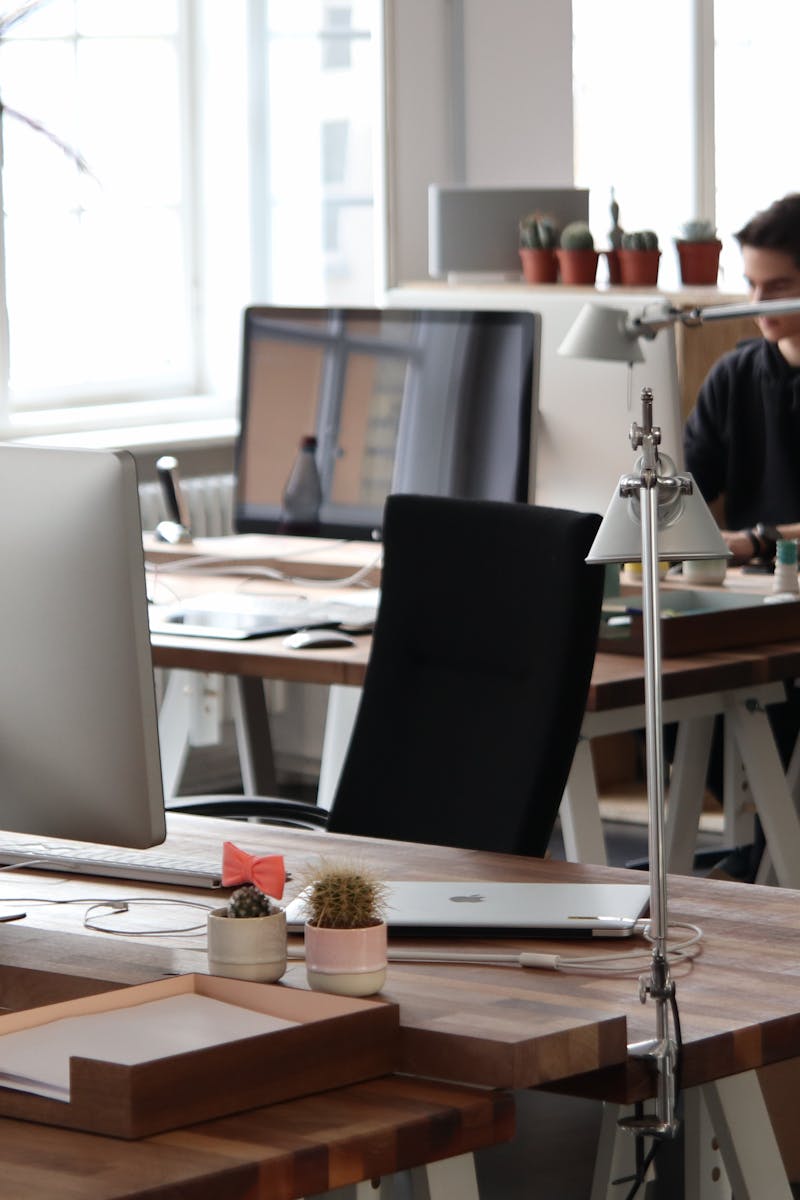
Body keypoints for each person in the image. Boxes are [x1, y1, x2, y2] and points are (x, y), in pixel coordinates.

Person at [683, 193, 800, 880]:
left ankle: (769, 863)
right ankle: (768, 860)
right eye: (751, 285)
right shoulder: (735, 374)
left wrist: (754, 542)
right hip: (749, 610)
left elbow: (743, 535)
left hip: (781, 608)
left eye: (779, 286)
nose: (758, 302)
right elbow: (683, 492)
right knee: (665, 708)